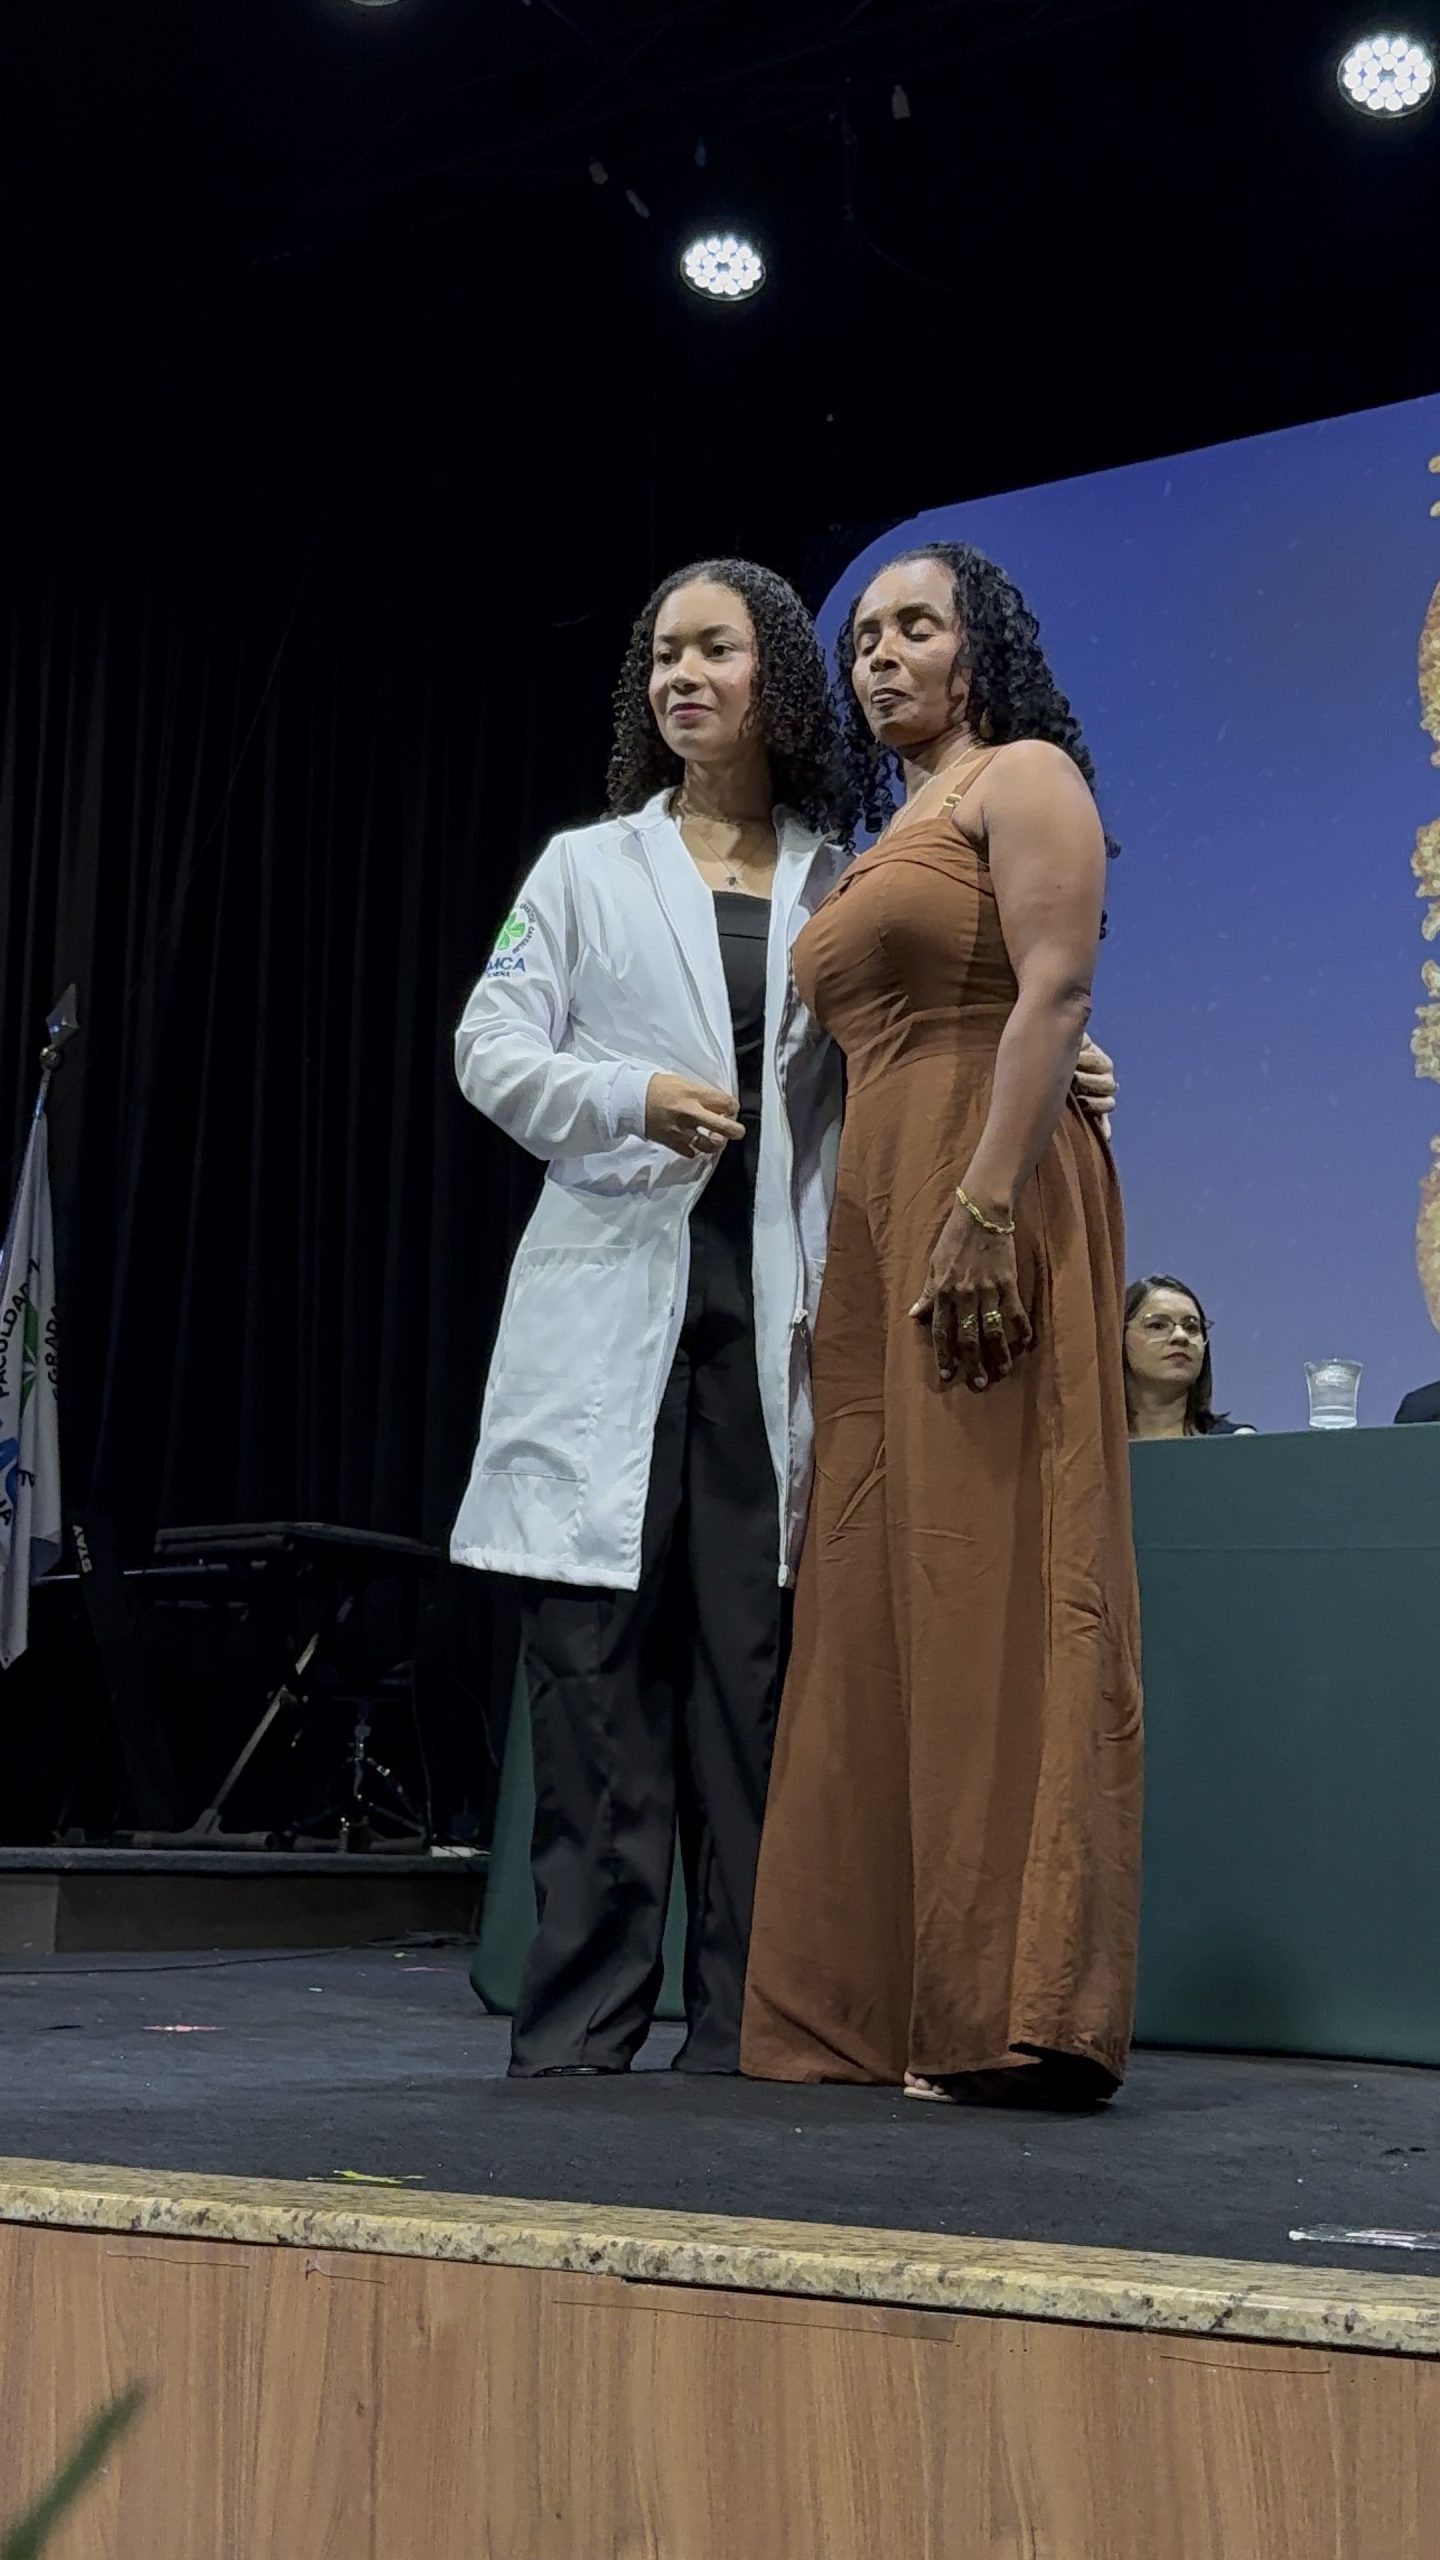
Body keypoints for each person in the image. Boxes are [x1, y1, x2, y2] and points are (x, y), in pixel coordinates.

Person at [452, 558, 1118, 2082]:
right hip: (618, 1300)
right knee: (597, 1675)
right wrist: (626, 1093)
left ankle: (749, 2033)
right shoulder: (585, 868)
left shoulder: (844, 873)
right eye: (662, 656)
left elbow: (946, 1002)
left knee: (763, 1689)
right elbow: (490, 1046)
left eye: (716, 650)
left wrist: (1068, 1070)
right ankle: (579, 2034)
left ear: (778, 685)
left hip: (785, 1312)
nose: (682, 677)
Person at [741, 541, 1143, 2108]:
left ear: (983, 653)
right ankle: (883, 2004)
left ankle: (1009, 2008)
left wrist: (985, 1202)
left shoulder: (1021, 774)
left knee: (993, 1574)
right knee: (880, 1587)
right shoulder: (876, 839)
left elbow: (1054, 992)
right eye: (863, 638)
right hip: (879, 1212)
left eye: (918, 626)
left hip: (984, 1194)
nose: (882, 654)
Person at [1123, 1275, 1255, 1439]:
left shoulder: (1238, 1443)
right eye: (1157, 1325)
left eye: (1191, 1327)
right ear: (1119, 1337)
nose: (1181, 1336)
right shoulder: (1095, 1445)